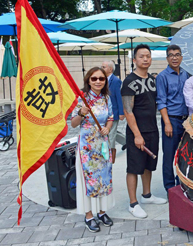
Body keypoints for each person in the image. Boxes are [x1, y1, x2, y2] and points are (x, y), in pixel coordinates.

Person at [122, 44, 166, 219]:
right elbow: (128, 110)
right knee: (134, 167)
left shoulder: (153, 80)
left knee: (148, 164)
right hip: (136, 132)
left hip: (152, 129)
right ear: (134, 60)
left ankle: (146, 195)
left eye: (148, 56)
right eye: (141, 56)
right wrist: (137, 135)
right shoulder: (129, 82)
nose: (145, 59)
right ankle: (133, 203)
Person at [71, 67, 114, 233]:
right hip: (87, 147)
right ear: (88, 80)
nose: (98, 81)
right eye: (94, 78)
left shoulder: (106, 98)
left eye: (101, 79)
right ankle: (89, 215)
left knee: (104, 177)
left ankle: (102, 212)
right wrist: (81, 113)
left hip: (102, 144)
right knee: (88, 179)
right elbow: (73, 124)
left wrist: (108, 128)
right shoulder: (82, 98)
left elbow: (110, 117)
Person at [156, 44, 189, 191]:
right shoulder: (162, 76)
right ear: (167, 58)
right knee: (169, 156)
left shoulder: (186, 74)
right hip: (172, 120)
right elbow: (161, 101)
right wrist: (167, 123)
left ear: (181, 57)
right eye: (171, 55)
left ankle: (181, 184)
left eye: (177, 54)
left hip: (186, 120)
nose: (174, 58)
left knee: (185, 155)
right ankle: (170, 188)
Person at [101, 60, 125, 161]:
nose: (101, 69)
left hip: (113, 112)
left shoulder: (115, 81)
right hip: (104, 112)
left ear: (110, 69)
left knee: (111, 134)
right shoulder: (102, 80)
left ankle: (110, 155)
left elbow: (119, 97)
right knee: (112, 131)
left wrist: (121, 112)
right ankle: (127, 141)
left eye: (104, 67)